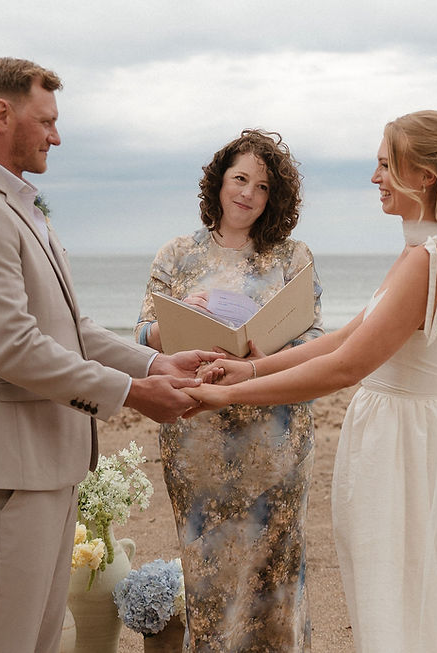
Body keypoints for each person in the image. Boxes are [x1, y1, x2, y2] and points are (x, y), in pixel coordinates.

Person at [186, 112, 437, 652]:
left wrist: (228, 393)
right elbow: (348, 336)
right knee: (402, 600)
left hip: (407, 455)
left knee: (405, 608)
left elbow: (347, 366)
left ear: (422, 175)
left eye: (383, 165)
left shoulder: (431, 259)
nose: (374, 178)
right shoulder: (418, 251)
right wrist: (251, 367)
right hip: (395, 444)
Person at [0, 57, 219, 653]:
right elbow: (14, 349)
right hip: (6, 469)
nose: (57, 136)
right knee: (5, 642)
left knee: (38, 642)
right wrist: (133, 395)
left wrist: (157, 365)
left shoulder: (17, 205)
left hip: (45, 467)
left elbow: (71, 330)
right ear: (1, 114)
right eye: (46, 121)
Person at [134, 129, 324, 651]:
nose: (248, 194)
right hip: (199, 434)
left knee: (277, 569)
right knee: (210, 571)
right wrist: (187, 316)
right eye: (240, 179)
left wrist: (267, 358)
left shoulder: (292, 256)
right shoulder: (176, 254)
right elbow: (144, 334)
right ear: (219, 182)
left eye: (262, 187)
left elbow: (312, 336)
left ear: (274, 198)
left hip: (274, 436)